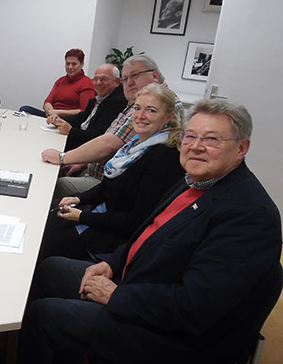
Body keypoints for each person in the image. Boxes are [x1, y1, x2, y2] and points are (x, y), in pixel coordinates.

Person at [19, 99, 282, 364]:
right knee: (51, 268)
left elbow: (195, 308)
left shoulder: (249, 216)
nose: (196, 146)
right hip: (138, 283)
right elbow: (148, 236)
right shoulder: (194, 180)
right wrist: (112, 263)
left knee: (45, 315)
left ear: (241, 148)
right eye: (191, 136)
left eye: (212, 139)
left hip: (172, 337)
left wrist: (115, 294)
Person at [38, 84, 184, 262]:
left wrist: (83, 216)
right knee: (45, 216)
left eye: (151, 110)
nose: (140, 116)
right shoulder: (136, 144)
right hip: (101, 215)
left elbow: (135, 220)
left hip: (113, 237)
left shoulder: (164, 157)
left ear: (168, 117)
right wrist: (80, 199)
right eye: (137, 108)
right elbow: (109, 185)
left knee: (43, 241)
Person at [42, 55, 183, 199]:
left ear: (154, 75)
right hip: (101, 172)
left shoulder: (162, 102)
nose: (129, 83)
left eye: (134, 75)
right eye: (126, 78)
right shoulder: (138, 100)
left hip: (112, 183)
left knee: (52, 183)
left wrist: (62, 157)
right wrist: (82, 162)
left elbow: (109, 144)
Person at [46, 64, 127, 152]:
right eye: (95, 79)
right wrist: (59, 119)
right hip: (79, 140)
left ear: (117, 82)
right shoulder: (97, 99)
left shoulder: (117, 102)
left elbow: (99, 136)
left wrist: (71, 131)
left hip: (86, 148)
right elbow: (81, 117)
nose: (98, 83)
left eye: (104, 79)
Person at [19, 49, 95, 118]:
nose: (70, 67)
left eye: (74, 64)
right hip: (52, 116)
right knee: (25, 109)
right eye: (67, 64)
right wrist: (50, 111)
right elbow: (47, 102)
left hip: (68, 120)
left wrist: (57, 112)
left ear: (82, 64)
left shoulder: (87, 83)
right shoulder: (60, 81)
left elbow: (84, 111)